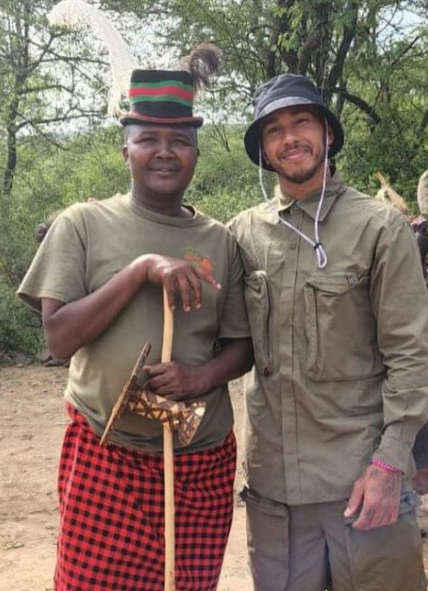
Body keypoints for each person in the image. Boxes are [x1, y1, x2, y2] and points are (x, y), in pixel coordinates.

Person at [17, 48, 253, 591]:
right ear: (126, 149)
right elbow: (58, 340)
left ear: (196, 153)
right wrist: (141, 270)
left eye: (180, 142)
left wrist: (199, 378)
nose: (164, 153)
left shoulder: (220, 241)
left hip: (200, 461)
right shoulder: (82, 224)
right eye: (149, 139)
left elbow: (242, 347)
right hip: (107, 453)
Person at [228, 74, 428, 591]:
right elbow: (216, 342)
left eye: (301, 122)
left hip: (360, 483)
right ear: (263, 150)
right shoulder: (241, 235)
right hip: (274, 491)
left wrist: (391, 463)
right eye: (273, 129)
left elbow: (411, 354)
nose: (289, 137)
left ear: (327, 133)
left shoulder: (379, 228)